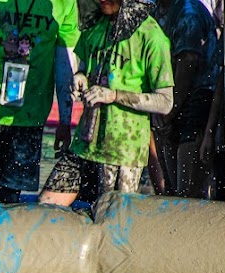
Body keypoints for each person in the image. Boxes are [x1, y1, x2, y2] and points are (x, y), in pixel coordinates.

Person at [39, 0, 172, 207]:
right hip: (84, 144)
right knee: (47, 205)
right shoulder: (96, 24)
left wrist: (114, 95)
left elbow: (165, 102)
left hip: (122, 152)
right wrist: (80, 77)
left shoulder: (152, 36)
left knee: (109, 219)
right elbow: (84, 67)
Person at [0, 0, 79, 202]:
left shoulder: (65, 3)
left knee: (9, 200)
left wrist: (65, 120)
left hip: (28, 118)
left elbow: (65, 65)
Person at [150, 0, 218, 198]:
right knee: (171, 194)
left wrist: (170, 110)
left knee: (188, 197)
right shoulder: (158, 10)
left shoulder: (188, 13)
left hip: (196, 98)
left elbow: (188, 63)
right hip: (169, 99)